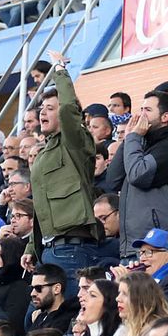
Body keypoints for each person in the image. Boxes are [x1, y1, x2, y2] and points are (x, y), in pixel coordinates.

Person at [31, 53, 103, 273]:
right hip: (49, 249)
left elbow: (68, 110)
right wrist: (29, 247)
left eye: (50, 108)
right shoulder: (46, 151)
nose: (43, 111)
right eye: (42, 107)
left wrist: (60, 71)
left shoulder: (74, 141)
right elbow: (43, 207)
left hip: (72, 249)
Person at [108, 89, 168, 254]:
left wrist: (133, 139)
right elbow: (113, 180)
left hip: (160, 247)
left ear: (165, 117)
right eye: (141, 110)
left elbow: (138, 175)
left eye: (148, 110)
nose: (141, 116)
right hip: (134, 246)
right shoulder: (139, 144)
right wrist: (128, 139)